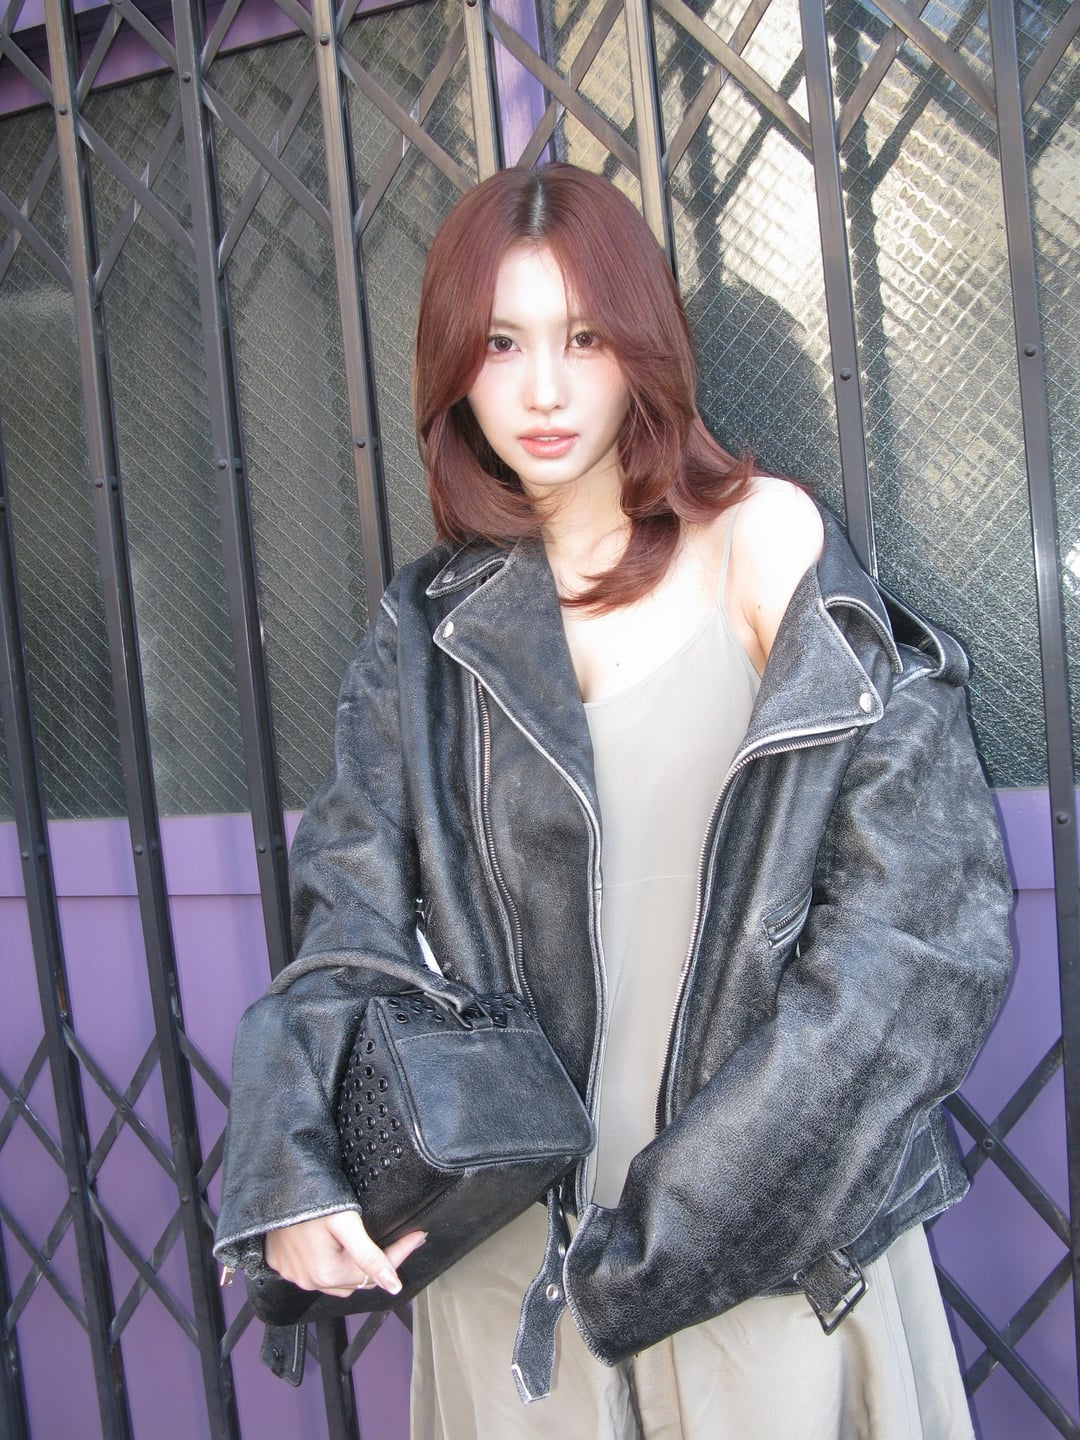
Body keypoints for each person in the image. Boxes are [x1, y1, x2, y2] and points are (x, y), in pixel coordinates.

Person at [215, 163, 1013, 1438]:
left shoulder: (763, 540)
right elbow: (347, 931)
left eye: (583, 338)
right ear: (453, 367)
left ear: (642, 343)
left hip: (764, 1261)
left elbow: (917, 936)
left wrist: (682, 1231)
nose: (542, 389)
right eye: (501, 343)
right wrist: (290, 1173)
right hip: (513, 1292)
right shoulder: (425, 633)